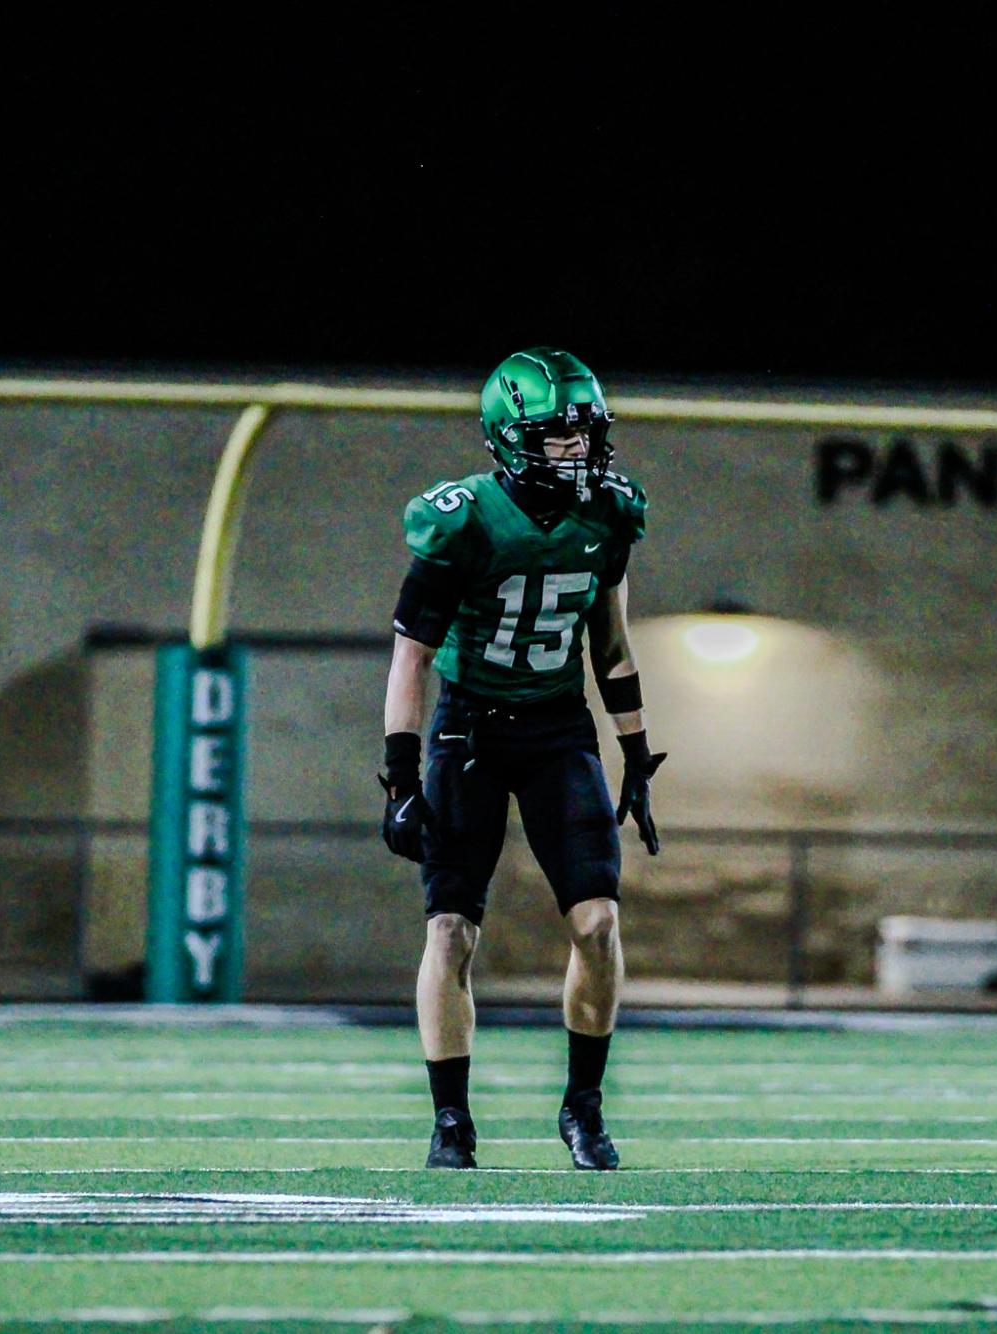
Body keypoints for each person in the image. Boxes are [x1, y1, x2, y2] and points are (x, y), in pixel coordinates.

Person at [379, 348, 667, 1171]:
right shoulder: (461, 517)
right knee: (451, 928)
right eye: (556, 436)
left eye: (584, 433)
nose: (577, 451)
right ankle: (450, 1122)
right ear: (510, 439)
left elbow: (610, 641)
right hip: (467, 730)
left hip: (556, 728)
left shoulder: (610, 513)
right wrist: (401, 774)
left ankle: (582, 1108)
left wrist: (637, 752)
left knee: (599, 921)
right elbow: (410, 656)